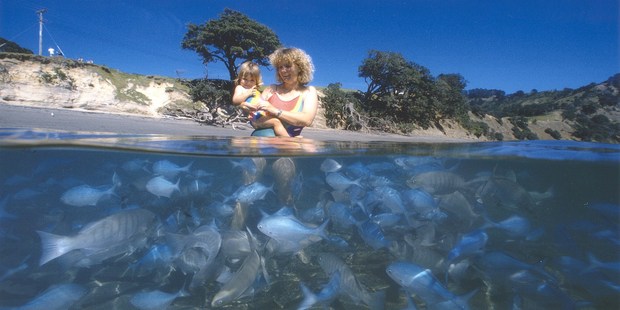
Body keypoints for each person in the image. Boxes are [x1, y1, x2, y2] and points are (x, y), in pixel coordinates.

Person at [251, 47, 319, 137]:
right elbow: (253, 119)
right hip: (255, 145)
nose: (283, 70)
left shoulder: (308, 91)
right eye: (280, 67)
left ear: (300, 67)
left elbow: (306, 120)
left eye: (288, 66)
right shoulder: (271, 89)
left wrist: (275, 111)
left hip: (286, 149)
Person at [232, 61, 289, 136]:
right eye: (245, 79)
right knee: (276, 122)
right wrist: (248, 93)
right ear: (240, 78)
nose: (248, 82)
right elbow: (235, 101)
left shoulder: (256, 90)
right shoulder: (240, 88)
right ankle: (289, 140)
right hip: (255, 118)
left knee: (280, 119)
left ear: (256, 81)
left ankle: (287, 135)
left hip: (261, 115)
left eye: (252, 80)